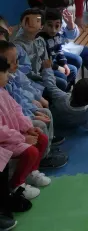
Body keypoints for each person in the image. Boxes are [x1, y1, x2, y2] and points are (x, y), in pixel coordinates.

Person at [0, 41, 67, 169]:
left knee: (45, 113)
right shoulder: (5, 85)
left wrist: (34, 108)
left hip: (21, 118)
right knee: (41, 125)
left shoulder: (11, 77)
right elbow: (16, 106)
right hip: (14, 127)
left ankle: (47, 148)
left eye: (17, 60)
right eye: (12, 62)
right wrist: (32, 115)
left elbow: (19, 100)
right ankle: (42, 159)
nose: (17, 64)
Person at [0, 56, 51, 202]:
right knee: (30, 151)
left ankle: (31, 172)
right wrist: (23, 138)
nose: (8, 75)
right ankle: (17, 185)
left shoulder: (3, 92)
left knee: (42, 138)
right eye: (5, 72)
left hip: (15, 135)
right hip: (5, 142)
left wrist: (28, 128)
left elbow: (17, 111)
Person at [13, 9, 66, 91]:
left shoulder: (41, 40)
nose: (31, 23)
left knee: (61, 83)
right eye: (27, 20)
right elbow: (23, 72)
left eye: (37, 20)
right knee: (61, 84)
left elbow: (46, 63)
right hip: (29, 81)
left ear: (41, 26)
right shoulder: (17, 46)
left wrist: (49, 79)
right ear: (21, 24)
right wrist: (43, 78)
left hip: (42, 75)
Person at [37, 9, 76, 91]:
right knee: (62, 77)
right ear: (43, 24)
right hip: (44, 69)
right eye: (50, 25)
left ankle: (65, 90)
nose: (53, 30)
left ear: (61, 25)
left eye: (57, 26)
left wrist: (64, 64)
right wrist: (58, 68)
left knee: (73, 70)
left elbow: (59, 51)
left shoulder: (57, 36)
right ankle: (59, 93)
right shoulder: (39, 39)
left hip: (54, 63)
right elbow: (42, 62)